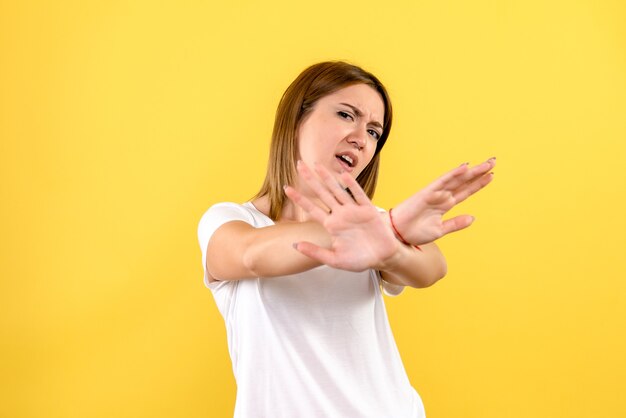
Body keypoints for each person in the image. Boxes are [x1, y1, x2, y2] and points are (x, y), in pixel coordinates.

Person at [198, 61, 496, 418]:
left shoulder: (378, 226)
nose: (361, 137)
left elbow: (431, 267)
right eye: (345, 114)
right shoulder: (232, 220)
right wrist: (385, 228)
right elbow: (249, 256)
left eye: (374, 131)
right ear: (296, 120)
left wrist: (390, 239)